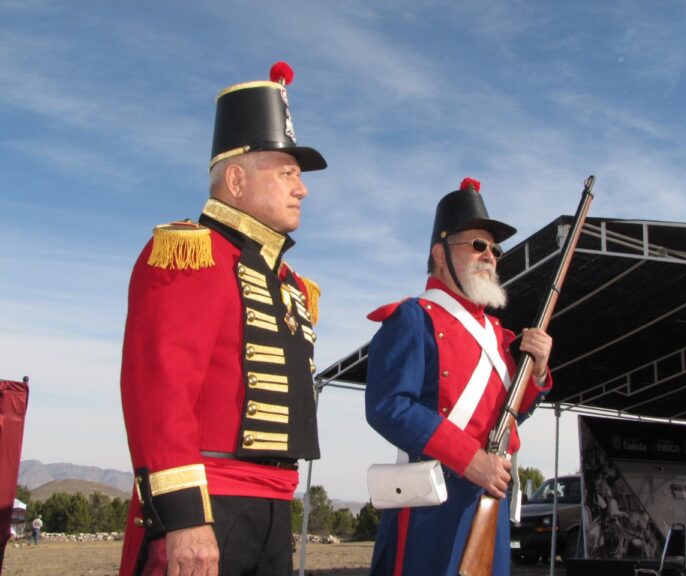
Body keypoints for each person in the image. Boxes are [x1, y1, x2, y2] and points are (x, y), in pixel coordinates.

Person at [119, 61, 326, 576]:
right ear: (235, 178)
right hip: (211, 506)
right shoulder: (192, 254)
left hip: (276, 507)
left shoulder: (291, 284)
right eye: (286, 173)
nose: (301, 190)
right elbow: (159, 392)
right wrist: (186, 519)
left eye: (297, 176)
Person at [365, 178, 553, 575]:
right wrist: (471, 460)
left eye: (495, 249)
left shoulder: (500, 337)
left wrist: (535, 374)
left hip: (491, 499)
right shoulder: (412, 318)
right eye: (478, 245)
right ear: (439, 253)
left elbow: (508, 415)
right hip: (432, 505)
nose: (490, 256)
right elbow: (388, 406)